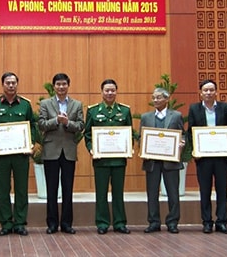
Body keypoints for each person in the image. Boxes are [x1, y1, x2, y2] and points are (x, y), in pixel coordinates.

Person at [0, 72, 37, 236]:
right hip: (1, 156)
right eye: (8, 83)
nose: (11, 85)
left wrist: (31, 143)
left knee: (21, 189)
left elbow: (32, 126)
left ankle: (20, 223)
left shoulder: (25, 105)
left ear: (17, 84)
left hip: (21, 155)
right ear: (3, 85)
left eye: (14, 82)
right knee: (2, 189)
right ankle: (6, 223)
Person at [187, 79, 227, 235]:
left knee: (222, 189)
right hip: (203, 157)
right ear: (200, 93)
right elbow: (190, 132)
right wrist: (194, 149)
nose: (208, 93)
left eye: (211, 90)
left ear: (216, 92)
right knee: (205, 190)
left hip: (222, 156)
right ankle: (207, 222)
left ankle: (222, 222)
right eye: (205, 90)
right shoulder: (194, 109)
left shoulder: (224, 108)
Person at [37, 73, 84, 235]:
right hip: (51, 151)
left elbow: (80, 126)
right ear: (54, 86)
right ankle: (51, 223)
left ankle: (66, 223)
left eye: (64, 84)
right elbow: (41, 125)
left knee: (67, 189)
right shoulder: (45, 104)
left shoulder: (77, 104)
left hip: (69, 152)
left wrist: (67, 123)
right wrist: (56, 121)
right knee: (51, 189)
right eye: (58, 84)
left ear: (68, 85)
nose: (61, 87)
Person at [84, 79, 132, 235]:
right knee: (101, 192)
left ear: (116, 92)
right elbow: (88, 134)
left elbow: (129, 133)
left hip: (119, 160)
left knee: (118, 193)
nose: (110, 93)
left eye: (112, 90)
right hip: (100, 160)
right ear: (101, 92)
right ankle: (102, 223)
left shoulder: (124, 111)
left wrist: (128, 147)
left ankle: (120, 222)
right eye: (107, 90)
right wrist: (91, 149)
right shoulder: (93, 111)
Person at [140, 88, 185, 234]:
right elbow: (141, 137)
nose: (155, 100)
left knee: (173, 193)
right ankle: (154, 222)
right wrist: (143, 148)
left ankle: (172, 222)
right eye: (153, 97)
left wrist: (181, 143)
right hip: (152, 161)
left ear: (167, 99)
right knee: (152, 193)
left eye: (159, 98)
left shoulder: (176, 116)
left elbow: (182, 135)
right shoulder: (146, 117)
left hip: (170, 161)